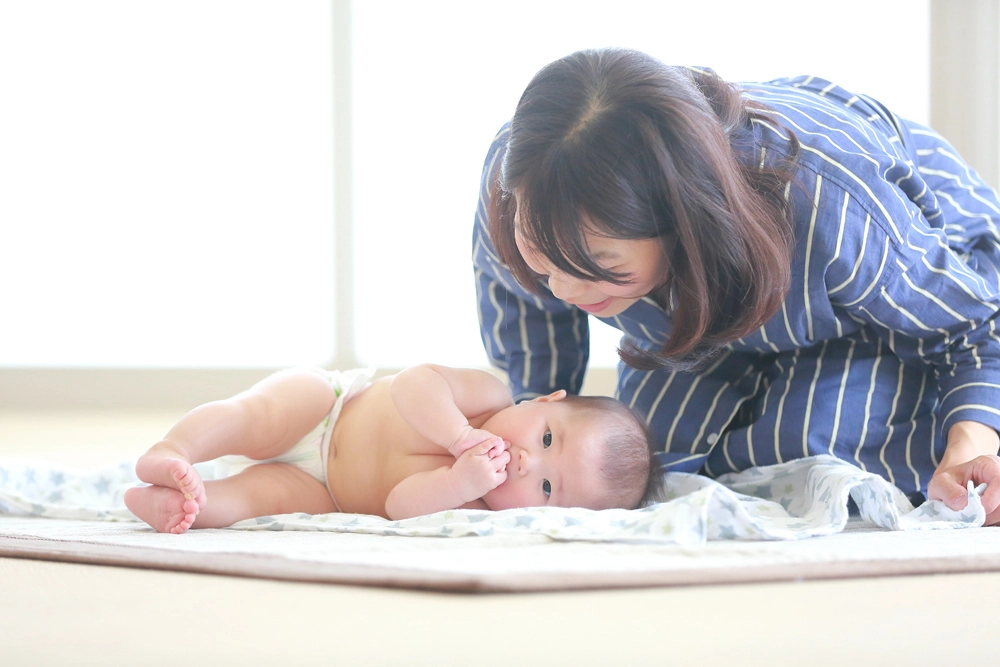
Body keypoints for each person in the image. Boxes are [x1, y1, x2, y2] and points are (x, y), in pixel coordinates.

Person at [472, 47, 1000, 525]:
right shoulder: (522, 170)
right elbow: (529, 331)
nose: (562, 287)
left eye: (599, 264)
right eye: (542, 258)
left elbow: (972, 330)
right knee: (638, 469)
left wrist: (968, 446)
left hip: (883, 309)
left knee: (806, 456)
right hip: (697, 314)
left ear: (683, 225)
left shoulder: (833, 209)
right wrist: (522, 427)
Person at [124, 364, 656, 534]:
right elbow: (411, 384)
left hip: (325, 491)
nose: (526, 461)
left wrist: (461, 482)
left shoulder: (476, 505)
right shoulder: (486, 397)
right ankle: (174, 450)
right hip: (328, 408)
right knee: (250, 418)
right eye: (545, 438)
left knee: (250, 505)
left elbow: (400, 506)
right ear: (545, 398)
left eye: (545, 487)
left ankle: (181, 504)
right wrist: (458, 437)